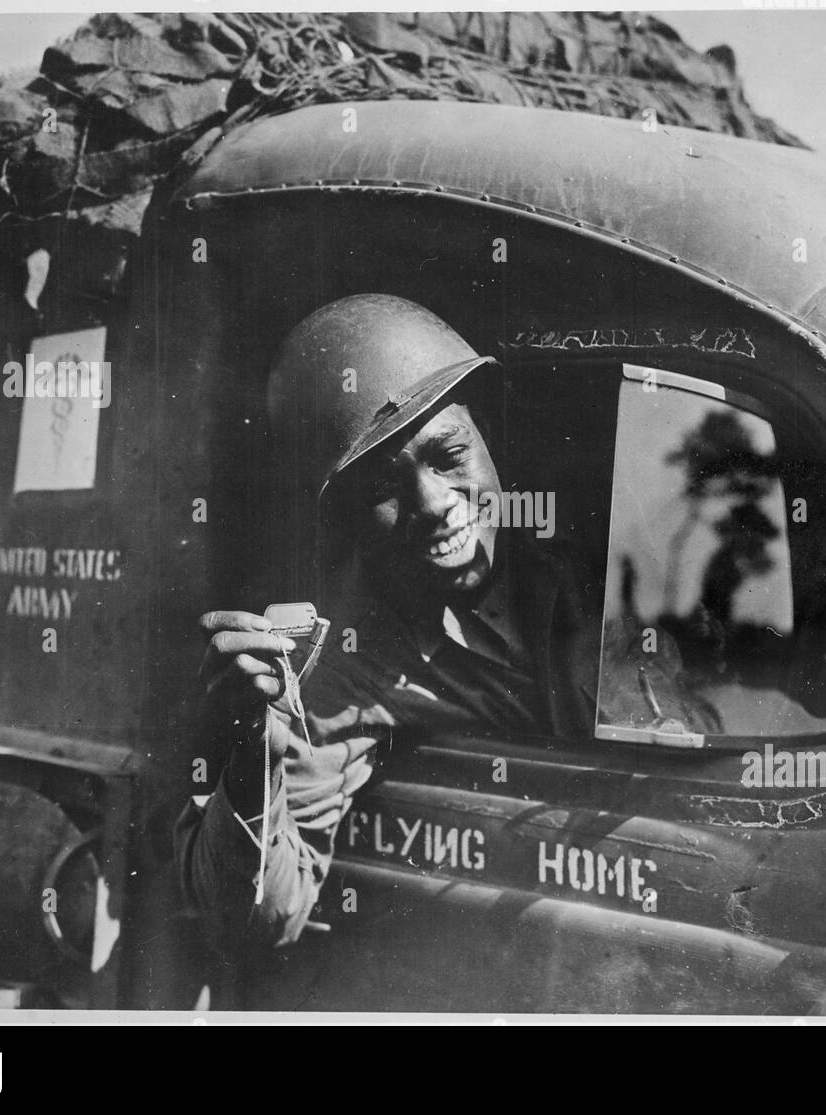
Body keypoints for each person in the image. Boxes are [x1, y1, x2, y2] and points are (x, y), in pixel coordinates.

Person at [175, 294, 632, 962]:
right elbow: (263, 916)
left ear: (490, 441)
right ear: (350, 521)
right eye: (384, 487)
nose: (434, 503)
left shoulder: (603, 557)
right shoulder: (345, 663)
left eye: (449, 455)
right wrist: (253, 761)